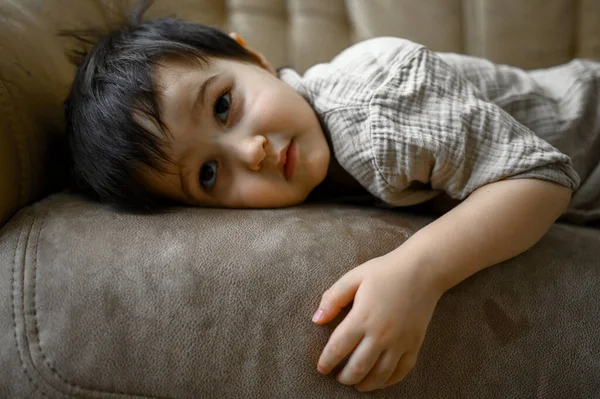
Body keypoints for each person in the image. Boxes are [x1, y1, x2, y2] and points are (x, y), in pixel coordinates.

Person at [63, 2, 600, 393]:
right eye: (208, 174)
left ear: (253, 57)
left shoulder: (375, 109)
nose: (251, 152)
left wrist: (416, 273)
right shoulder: (312, 170)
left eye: (224, 105)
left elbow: (542, 178)